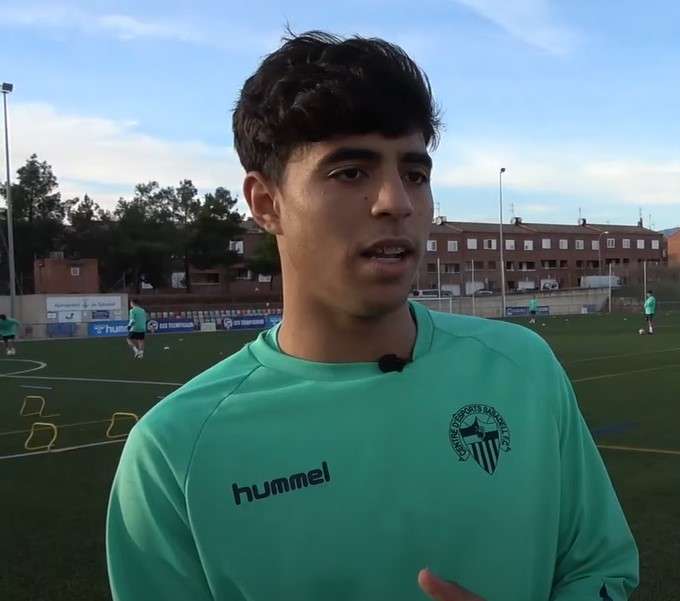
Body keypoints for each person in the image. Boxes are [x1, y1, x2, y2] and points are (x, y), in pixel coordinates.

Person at [107, 31, 638, 601]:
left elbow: (601, 570)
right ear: (266, 203)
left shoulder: (524, 367)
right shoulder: (174, 450)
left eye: (414, 174)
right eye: (350, 172)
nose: (396, 202)